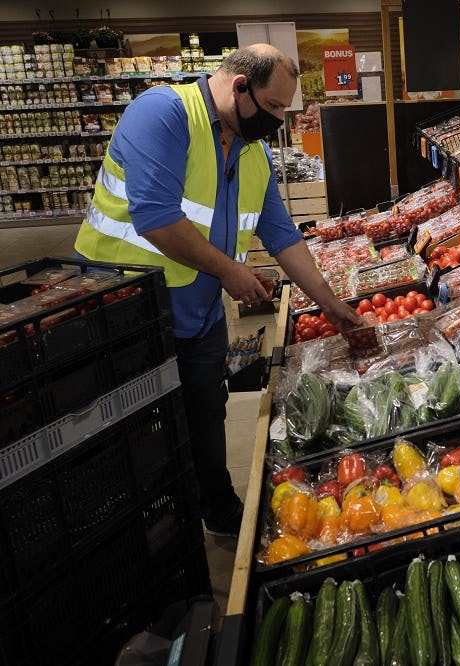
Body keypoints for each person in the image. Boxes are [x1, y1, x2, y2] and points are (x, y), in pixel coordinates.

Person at [75, 44, 363, 538]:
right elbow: (156, 218)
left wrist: (334, 308)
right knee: (138, 433)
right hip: (124, 309)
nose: (278, 119)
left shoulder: (253, 153)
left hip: (196, 308)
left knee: (208, 410)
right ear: (239, 87)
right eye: (273, 107)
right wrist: (231, 272)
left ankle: (220, 511)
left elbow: (283, 236)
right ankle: (146, 531)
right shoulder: (163, 113)